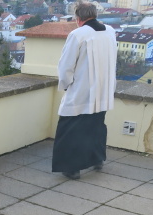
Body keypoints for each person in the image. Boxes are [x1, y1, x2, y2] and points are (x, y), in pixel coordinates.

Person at [51, 2, 116, 180]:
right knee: (96, 127)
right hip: (103, 90)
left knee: (70, 129)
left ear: (78, 19)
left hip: (82, 91)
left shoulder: (77, 34)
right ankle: (97, 159)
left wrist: (65, 84)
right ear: (94, 15)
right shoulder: (110, 31)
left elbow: (66, 66)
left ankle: (71, 168)